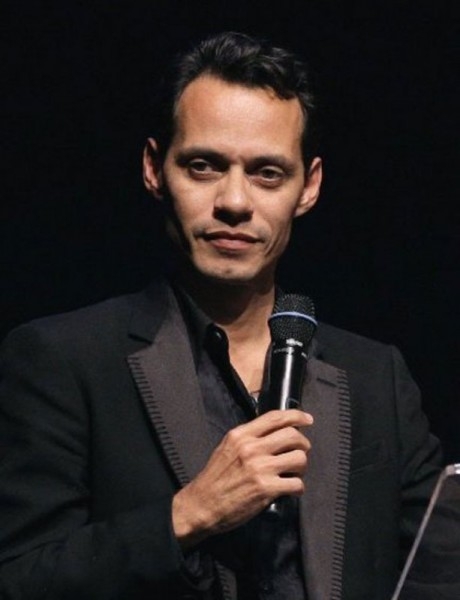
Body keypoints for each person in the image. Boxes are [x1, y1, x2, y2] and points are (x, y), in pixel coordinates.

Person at [0, 31, 457, 600]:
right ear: (154, 169)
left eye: (268, 173)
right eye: (203, 166)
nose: (235, 202)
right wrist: (189, 514)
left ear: (309, 186)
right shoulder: (65, 360)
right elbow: (18, 577)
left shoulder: (374, 376)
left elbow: (439, 568)